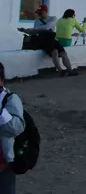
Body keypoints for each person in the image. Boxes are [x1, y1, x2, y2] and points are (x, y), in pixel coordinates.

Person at [18, 4, 77, 77]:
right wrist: (25, 30)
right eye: (38, 13)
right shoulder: (37, 22)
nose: (39, 15)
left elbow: (47, 27)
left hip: (52, 38)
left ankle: (70, 70)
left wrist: (32, 29)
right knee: (54, 52)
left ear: (45, 12)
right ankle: (60, 71)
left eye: (41, 13)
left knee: (63, 53)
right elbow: (35, 32)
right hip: (43, 40)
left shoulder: (53, 18)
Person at [0, 62, 26, 194]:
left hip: (3, 162)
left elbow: (17, 128)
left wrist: (1, 113)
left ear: (1, 80)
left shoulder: (9, 99)